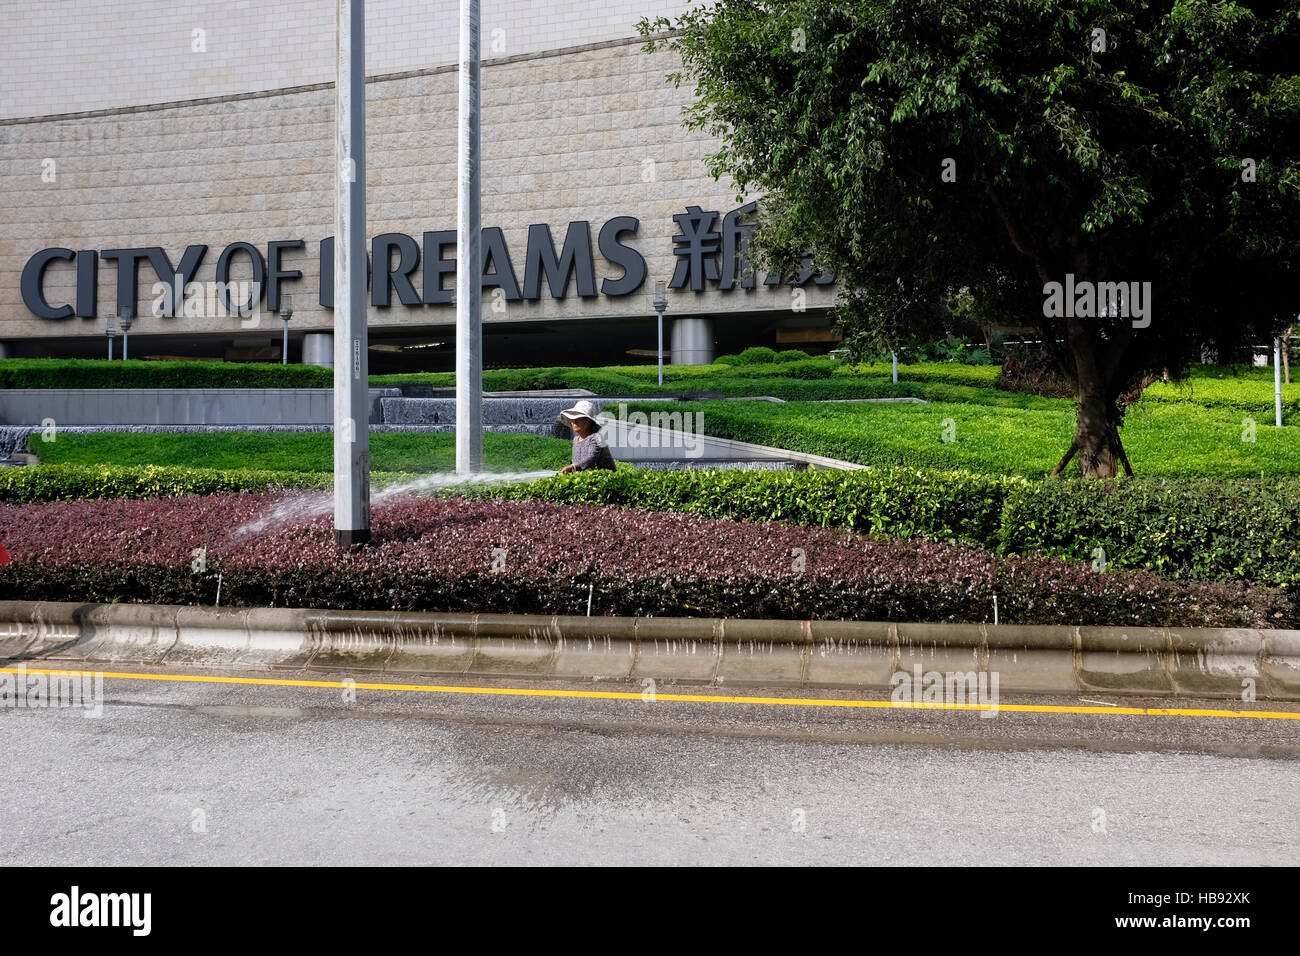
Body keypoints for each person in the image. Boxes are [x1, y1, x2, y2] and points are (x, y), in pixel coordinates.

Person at [557, 400, 616, 473]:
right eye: (572, 418)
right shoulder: (576, 439)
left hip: (604, 478)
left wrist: (572, 467)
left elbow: (591, 458)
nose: (574, 422)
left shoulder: (597, 438)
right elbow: (576, 461)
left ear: (588, 421)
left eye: (579, 418)